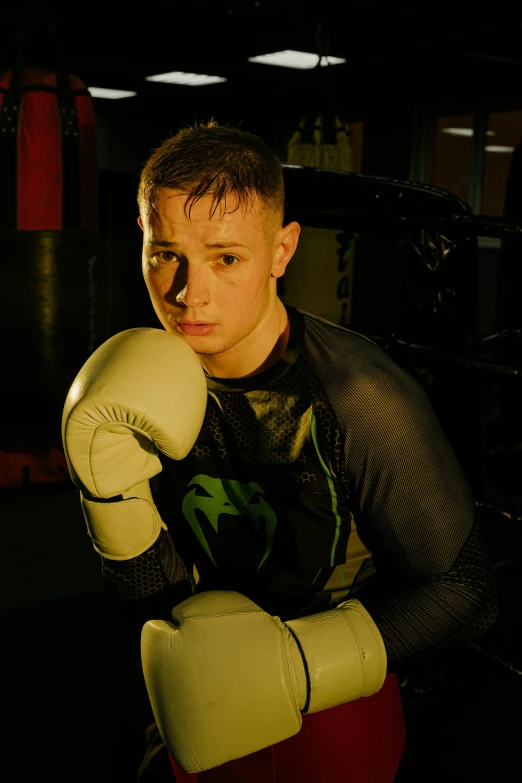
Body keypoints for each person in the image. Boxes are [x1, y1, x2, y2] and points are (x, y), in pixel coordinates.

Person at [62, 121, 497, 782]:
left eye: (225, 257)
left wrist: (293, 664)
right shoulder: (135, 380)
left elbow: (466, 588)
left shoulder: (360, 396)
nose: (187, 292)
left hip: (333, 698)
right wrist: (110, 498)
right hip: (192, 682)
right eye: (165, 253)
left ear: (282, 249)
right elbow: (149, 596)